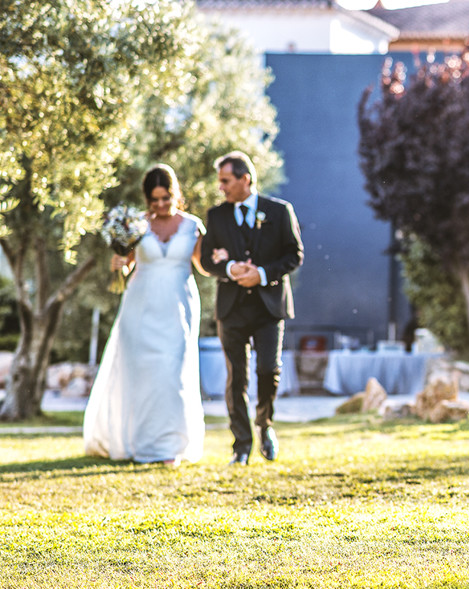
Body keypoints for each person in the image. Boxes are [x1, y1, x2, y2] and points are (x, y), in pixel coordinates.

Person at [84, 164, 207, 465]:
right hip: (140, 306)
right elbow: (126, 264)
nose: (161, 205)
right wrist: (119, 265)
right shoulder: (134, 224)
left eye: (166, 198)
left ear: (175, 194)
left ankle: (168, 447)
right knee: (140, 373)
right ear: (147, 200)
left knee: (172, 371)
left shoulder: (193, 226)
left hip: (178, 305)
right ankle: (134, 443)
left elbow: (203, 265)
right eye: (155, 201)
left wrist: (223, 261)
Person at [200, 151, 304, 465]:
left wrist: (260, 274)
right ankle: (241, 445)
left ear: (245, 179)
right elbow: (206, 260)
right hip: (231, 308)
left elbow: (294, 255)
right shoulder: (216, 216)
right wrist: (231, 269)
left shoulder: (279, 211)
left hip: (269, 307)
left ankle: (265, 424)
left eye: (226, 181)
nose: (221, 187)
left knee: (268, 371)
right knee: (236, 378)